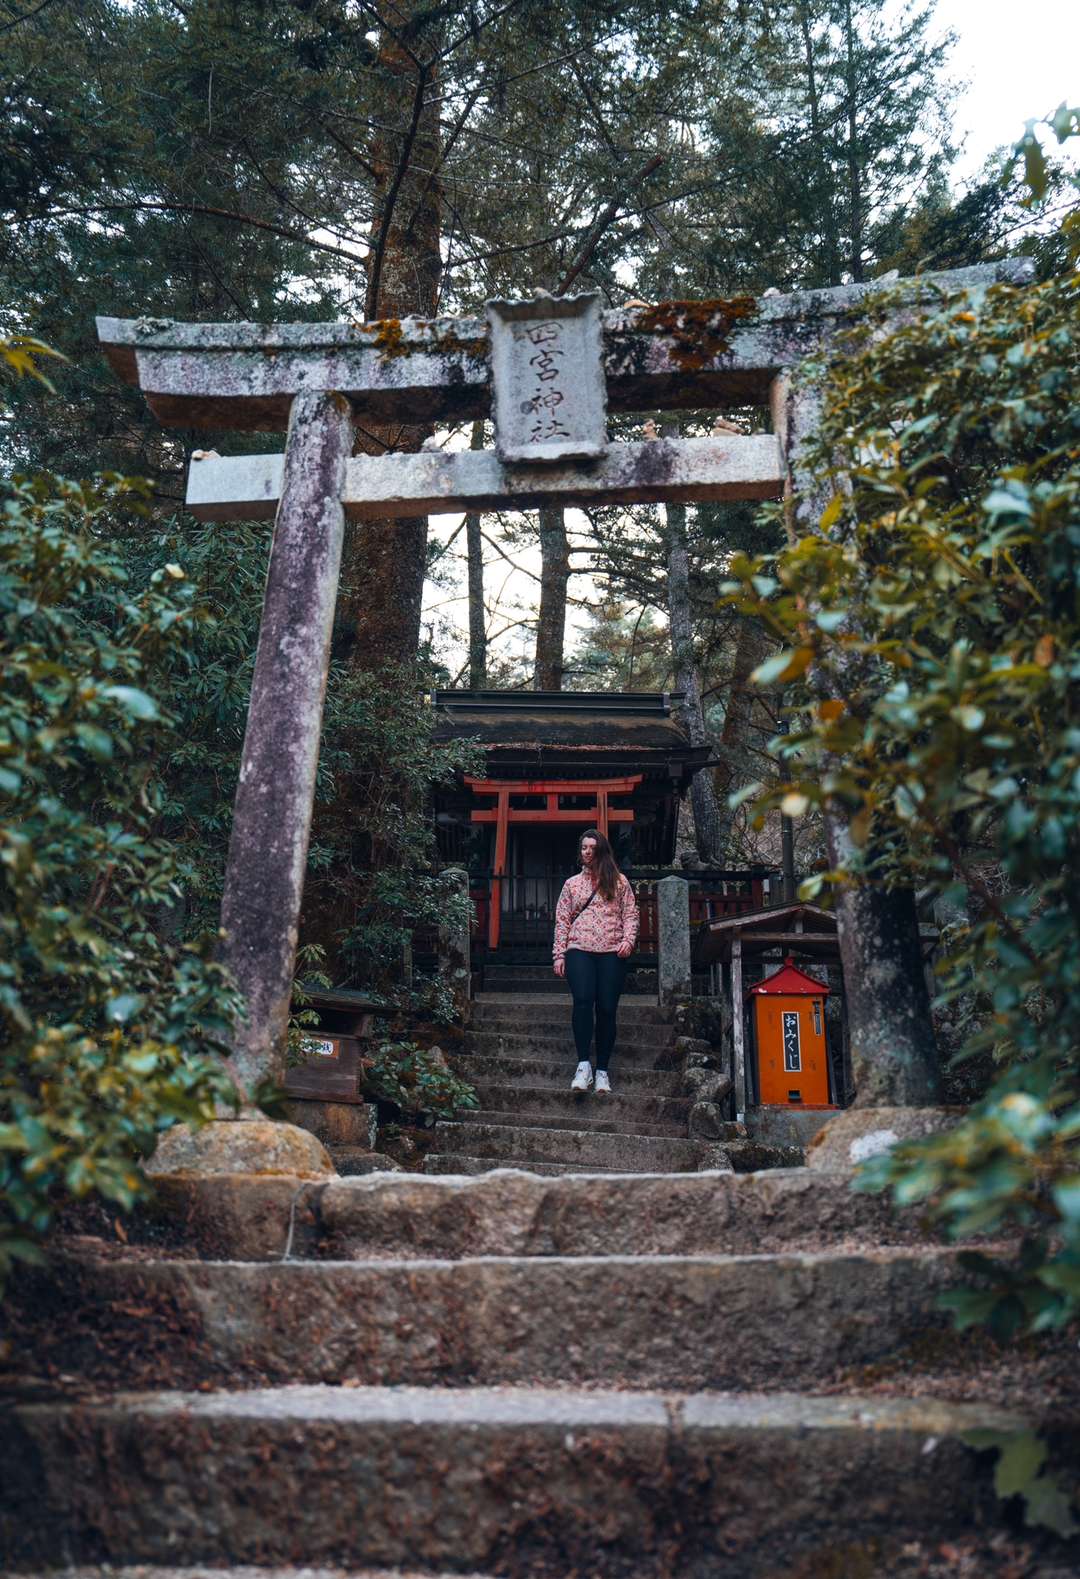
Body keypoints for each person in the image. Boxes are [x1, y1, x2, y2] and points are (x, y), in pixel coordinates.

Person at [552, 828, 639, 1094]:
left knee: (607, 1008)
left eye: (592, 847)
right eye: (583, 847)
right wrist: (559, 953)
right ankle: (583, 1066)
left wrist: (628, 940)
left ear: (601, 850)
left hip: (613, 951)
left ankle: (602, 1070)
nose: (587, 852)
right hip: (579, 949)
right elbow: (562, 920)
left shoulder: (619, 881)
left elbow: (631, 914)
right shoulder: (571, 884)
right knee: (582, 1001)